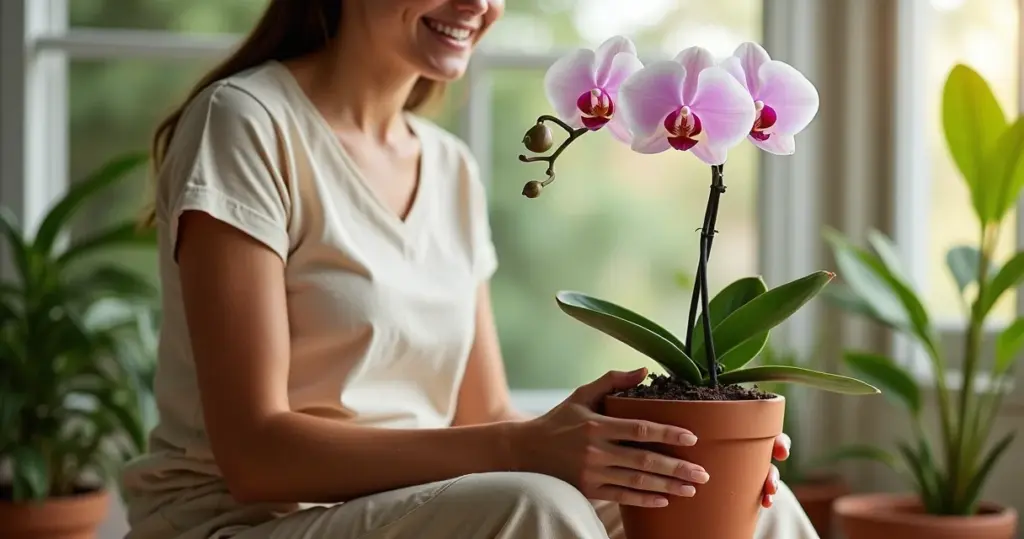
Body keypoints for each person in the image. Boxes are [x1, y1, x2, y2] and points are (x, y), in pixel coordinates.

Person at [120, 1, 820, 538]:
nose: (477, 3)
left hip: (408, 509)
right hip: (250, 520)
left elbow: (482, 416)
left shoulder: (447, 164)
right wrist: (525, 446)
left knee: (740, 503)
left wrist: (652, 442)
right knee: (535, 510)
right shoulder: (245, 122)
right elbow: (255, 455)